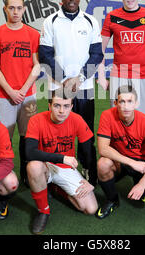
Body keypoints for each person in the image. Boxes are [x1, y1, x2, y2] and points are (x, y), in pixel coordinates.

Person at [39, 0, 103, 186]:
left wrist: (80, 78)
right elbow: (45, 54)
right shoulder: (50, 21)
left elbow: (97, 54)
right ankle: (55, 170)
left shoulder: (91, 21)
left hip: (84, 87)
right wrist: (65, 79)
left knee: (85, 131)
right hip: (57, 87)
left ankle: (87, 168)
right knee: (55, 132)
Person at [25, 90, 98, 234]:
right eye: (57, 105)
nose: (61, 111)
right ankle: (43, 211)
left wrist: (91, 181)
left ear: (71, 106)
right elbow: (29, 152)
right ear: (49, 105)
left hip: (65, 168)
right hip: (44, 165)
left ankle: (57, 188)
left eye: (66, 106)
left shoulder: (76, 119)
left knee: (90, 208)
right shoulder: (36, 120)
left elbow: (88, 150)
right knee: (33, 166)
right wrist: (62, 158)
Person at [0, 0, 40, 186]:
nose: (16, 12)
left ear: (24, 9)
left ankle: (27, 174)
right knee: (4, 138)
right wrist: (10, 91)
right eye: (12, 8)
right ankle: (5, 173)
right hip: (4, 96)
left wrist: (23, 89)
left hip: (28, 95)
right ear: (5, 9)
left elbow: (37, 65)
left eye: (19, 8)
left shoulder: (33, 34)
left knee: (28, 137)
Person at [96, 85, 145, 219]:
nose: (125, 106)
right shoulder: (107, 116)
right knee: (102, 164)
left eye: (130, 101)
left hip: (144, 164)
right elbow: (103, 148)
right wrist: (131, 162)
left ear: (136, 103)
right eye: (122, 101)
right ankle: (112, 200)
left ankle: (142, 186)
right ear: (115, 103)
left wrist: (142, 184)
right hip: (121, 161)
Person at [98, 0, 145, 121]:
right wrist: (101, 76)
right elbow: (100, 49)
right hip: (120, 73)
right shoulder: (112, 17)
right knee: (119, 117)